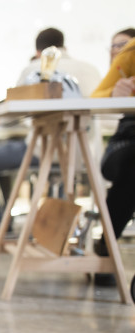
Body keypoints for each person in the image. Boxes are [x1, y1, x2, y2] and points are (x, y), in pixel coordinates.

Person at [0, 28, 102, 247]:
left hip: (42, 151)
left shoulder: (34, 69)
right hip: (83, 155)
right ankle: (64, 234)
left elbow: (14, 113)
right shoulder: (90, 70)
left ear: (38, 52)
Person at [90, 28, 135, 286]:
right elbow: (94, 99)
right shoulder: (123, 68)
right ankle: (106, 248)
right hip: (124, 145)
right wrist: (113, 93)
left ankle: (106, 246)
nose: (117, 51)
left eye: (123, 45)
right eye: (114, 46)